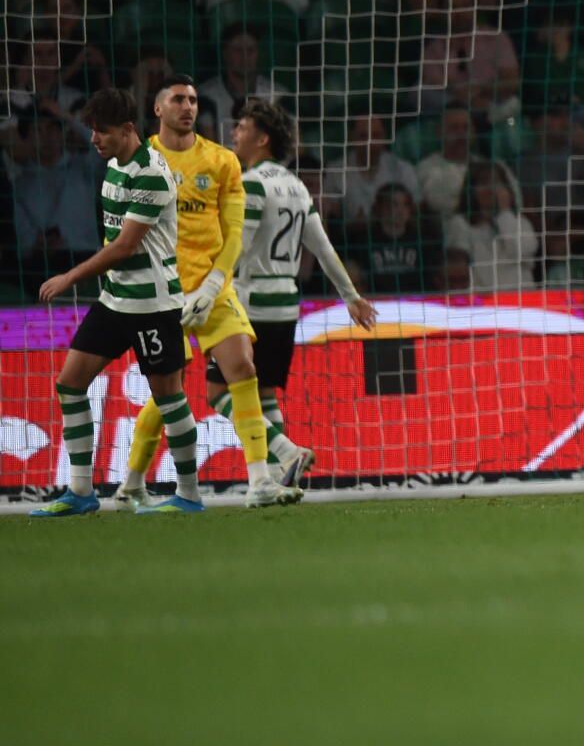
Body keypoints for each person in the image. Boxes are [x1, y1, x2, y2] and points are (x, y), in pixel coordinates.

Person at [113, 75, 293, 507]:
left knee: (243, 366)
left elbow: (234, 233)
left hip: (212, 288)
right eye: (177, 99)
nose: (188, 106)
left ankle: (260, 481)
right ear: (158, 108)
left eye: (193, 99)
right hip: (161, 291)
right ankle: (132, 482)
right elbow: (119, 232)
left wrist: (214, 285)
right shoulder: (136, 162)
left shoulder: (222, 160)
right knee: (168, 390)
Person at [29, 89, 207, 518]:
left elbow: (125, 245)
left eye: (102, 131)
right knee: (70, 383)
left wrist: (71, 277)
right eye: (92, 130)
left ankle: (188, 495)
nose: (94, 139)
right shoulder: (113, 166)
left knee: (169, 398)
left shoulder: (151, 174)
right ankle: (80, 492)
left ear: (127, 129)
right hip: (115, 300)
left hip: (153, 305)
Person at [224, 100, 379, 490]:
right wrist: (351, 297)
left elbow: (238, 248)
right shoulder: (296, 186)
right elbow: (322, 248)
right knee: (264, 392)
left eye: (242, 127)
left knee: (218, 391)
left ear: (262, 138)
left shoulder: (252, 183)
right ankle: (280, 476)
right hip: (285, 305)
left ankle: (286, 451)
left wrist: (208, 283)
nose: (235, 133)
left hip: (251, 302)